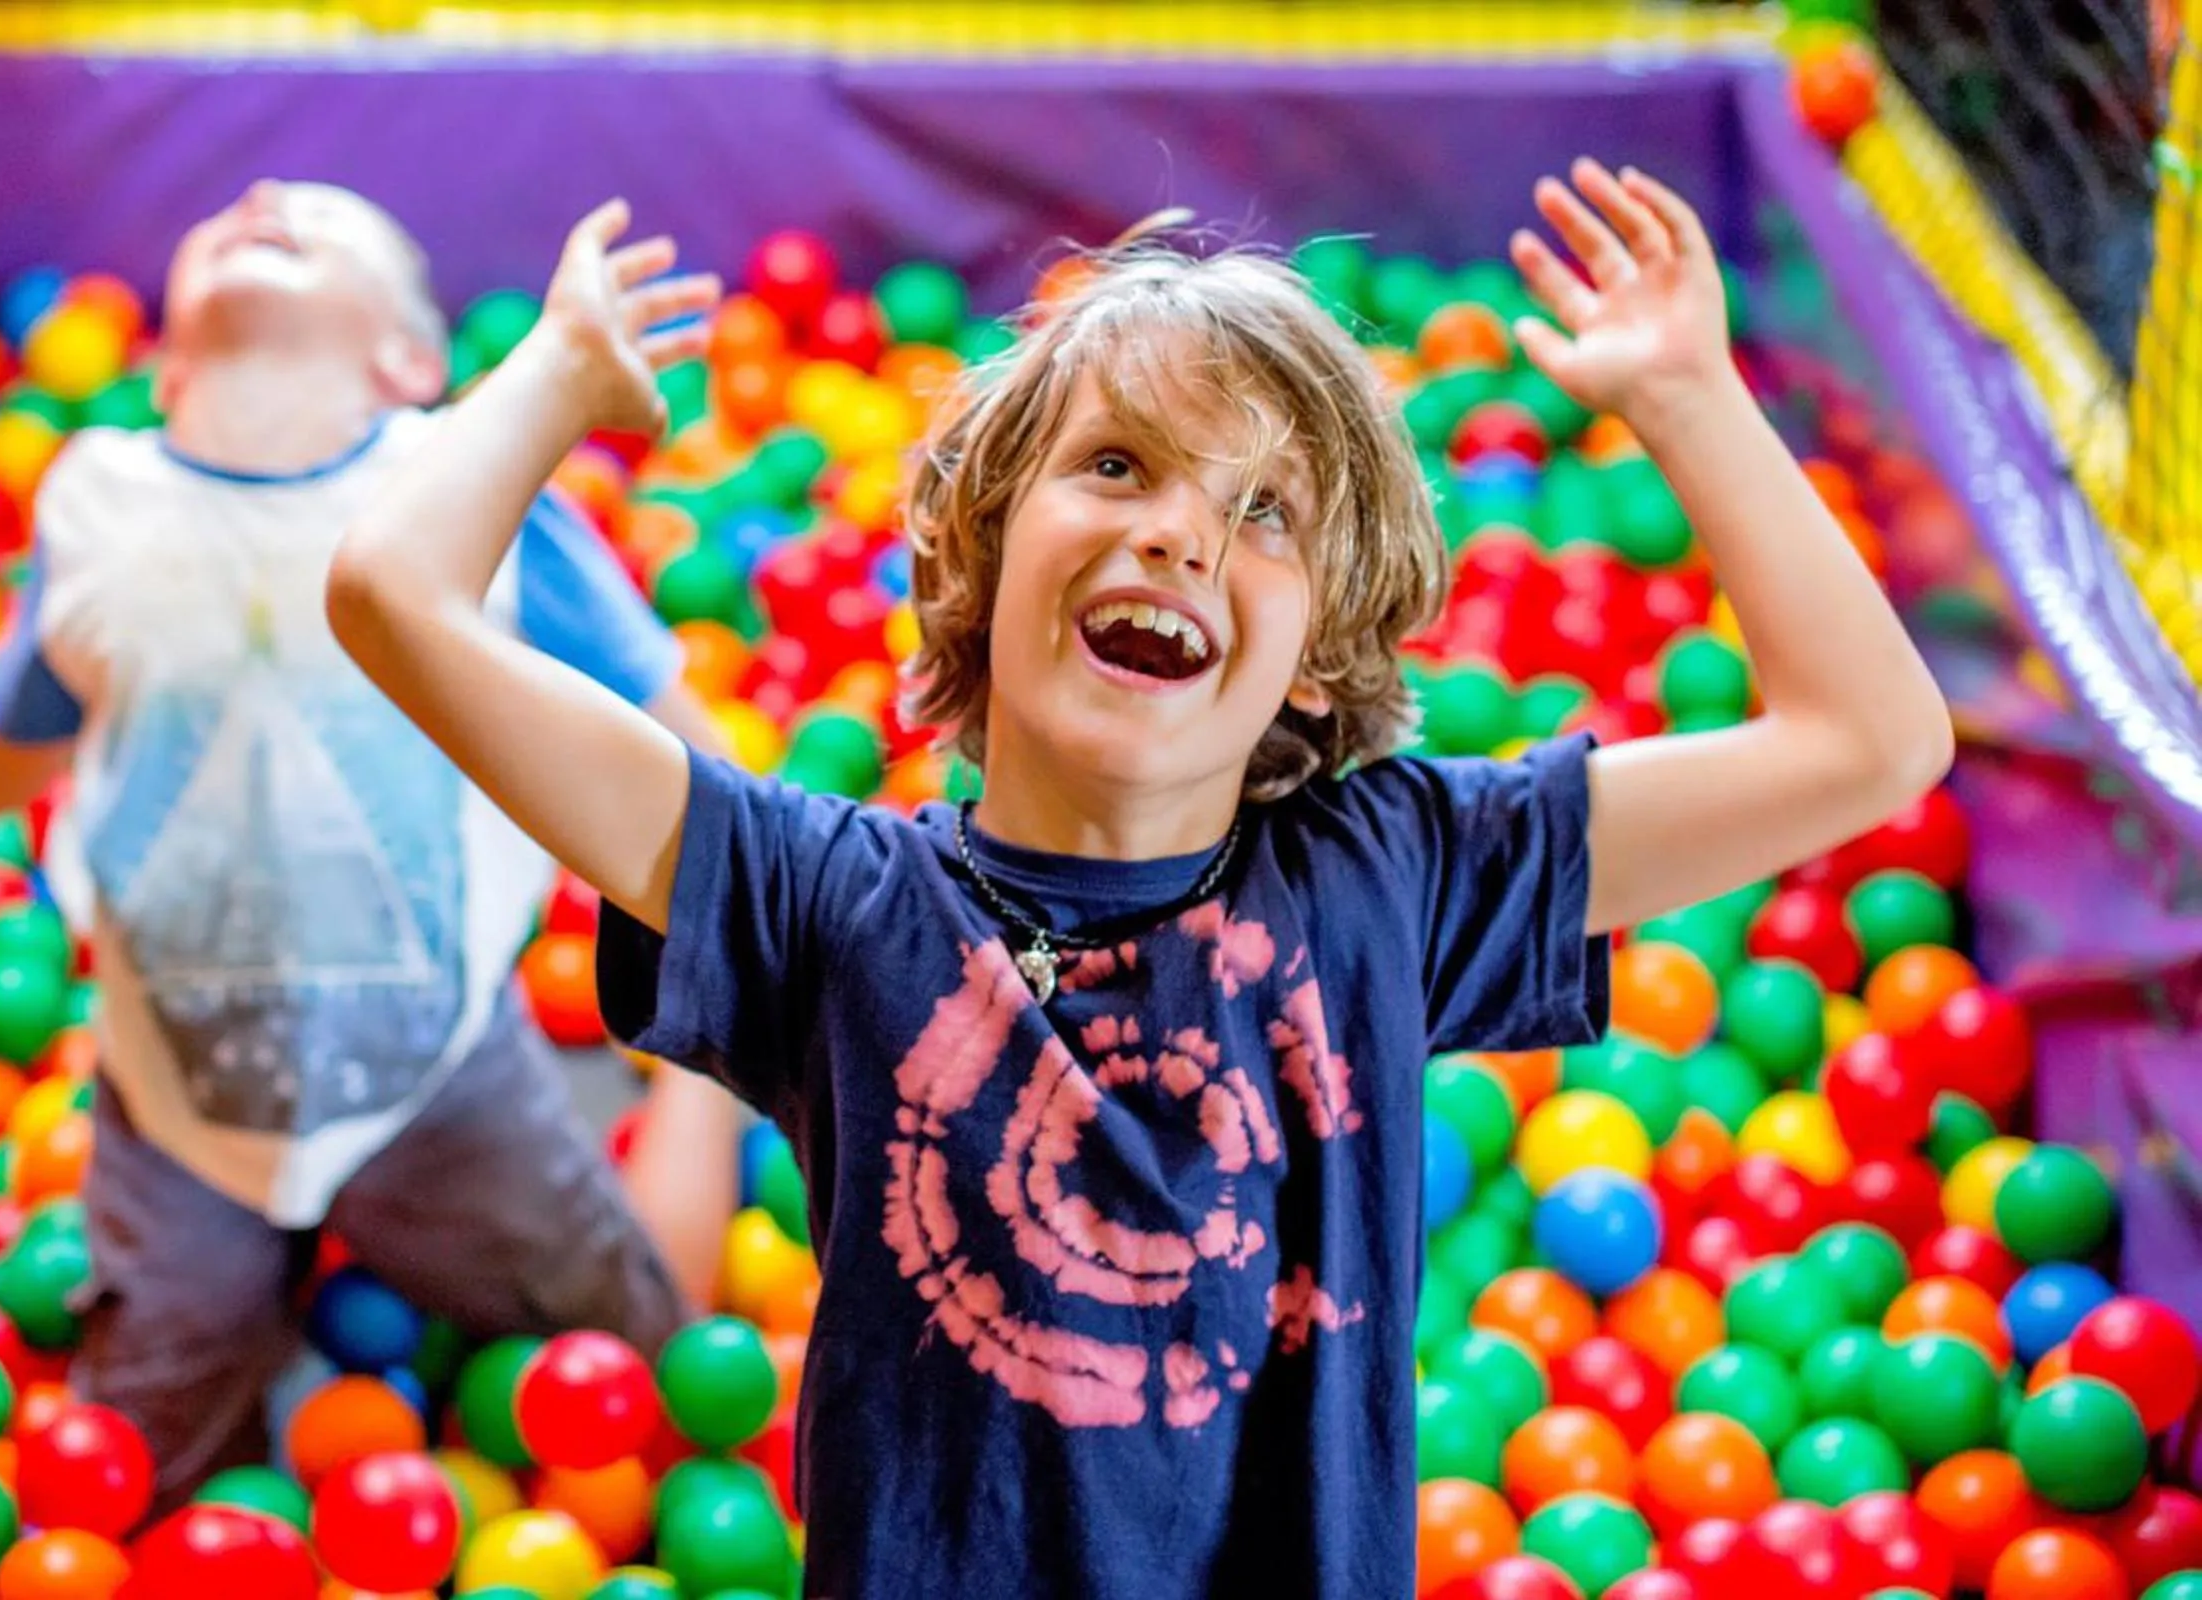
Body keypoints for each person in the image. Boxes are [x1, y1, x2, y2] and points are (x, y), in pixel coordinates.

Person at [324, 163, 1953, 1597]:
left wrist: (1687, 397)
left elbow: (1870, 741)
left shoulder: (1386, 879)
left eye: (1261, 513)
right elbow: (394, 593)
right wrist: (553, 380)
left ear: (1313, 663)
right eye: (1117, 466)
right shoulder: (825, 903)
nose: (1180, 531)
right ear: (976, 544)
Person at [0, 179, 748, 1512]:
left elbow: (695, 768)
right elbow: (2, 747)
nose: (263, 198)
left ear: (409, 364)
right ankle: (276, 1289)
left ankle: (686, 1091)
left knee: (650, 1361)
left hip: (431, 1075)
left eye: (323, 219)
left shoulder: (466, 492)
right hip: (180, 1099)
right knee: (140, 1472)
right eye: (237, 212)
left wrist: (742, 1002)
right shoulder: (102, 507)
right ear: (169, 369)